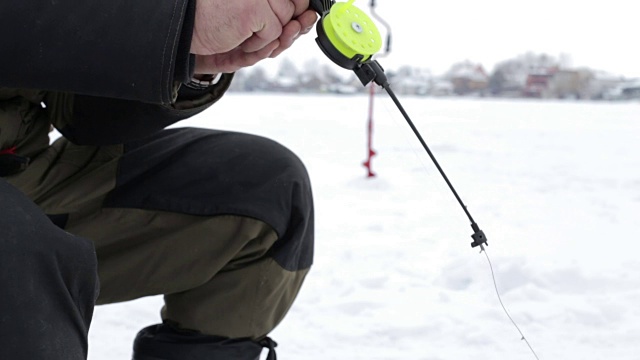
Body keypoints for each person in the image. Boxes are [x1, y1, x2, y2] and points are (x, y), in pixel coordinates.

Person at [0, 1, 318, 359]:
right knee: (18, 252)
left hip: (26, 172)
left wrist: (181, 59)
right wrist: (174, 24)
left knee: (264, 192)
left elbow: (81, 115)